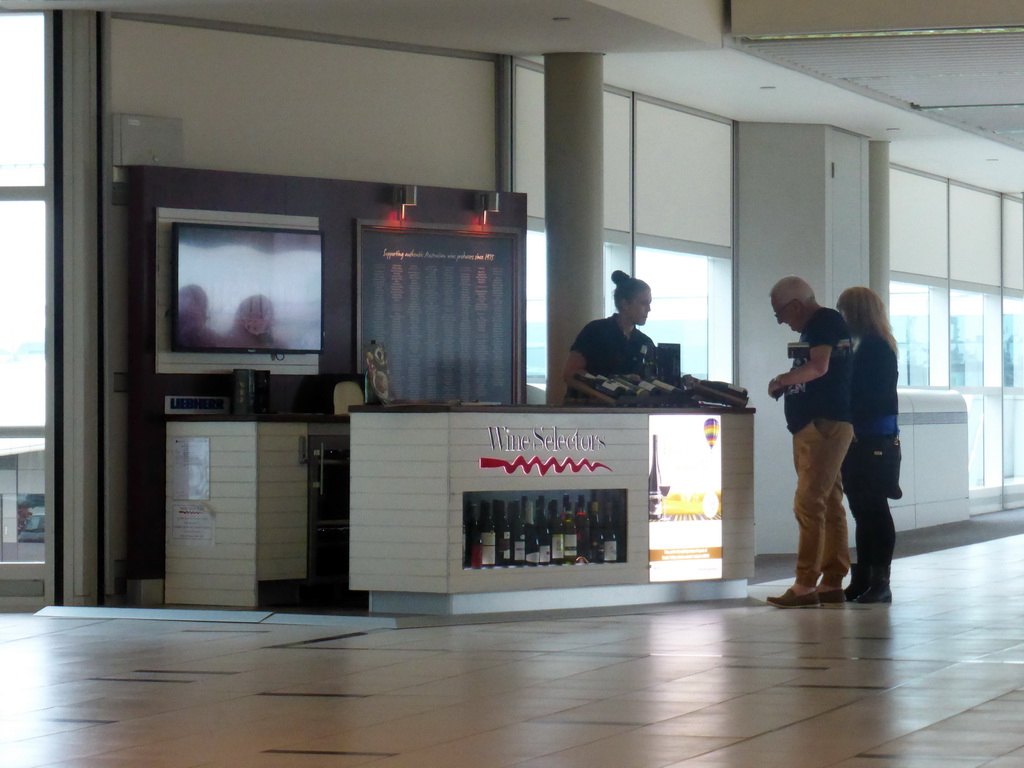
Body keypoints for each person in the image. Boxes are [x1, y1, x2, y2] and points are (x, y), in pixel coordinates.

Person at [766, 276, 854, 608]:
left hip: (824, 424)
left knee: (808, 502)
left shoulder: (823, 323)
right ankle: (831, 581)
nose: (779, 320)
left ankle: (805, 583)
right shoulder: (817, 327)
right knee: (829, 501)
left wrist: (780, 381)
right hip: (817, 424)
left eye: (780, 312)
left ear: (796, 305)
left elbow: (818, 368)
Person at [837, 286, 899, 604]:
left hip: (871, 437)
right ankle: (864, 577)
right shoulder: (873, 345)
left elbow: (873, 396)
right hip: (869, 436)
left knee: (872, 509)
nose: (841, 317)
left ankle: (878, 580)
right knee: (863, 510)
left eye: (844, 310)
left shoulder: (874, 348)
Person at [563, 270, 655, 396]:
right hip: (587, 408)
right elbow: (571, 374)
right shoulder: (595, 330)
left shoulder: (645, 342)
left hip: (626, 411)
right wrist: (609, 387)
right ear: (625, 303)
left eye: (649, 304)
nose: (649, 309)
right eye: (644, 303)